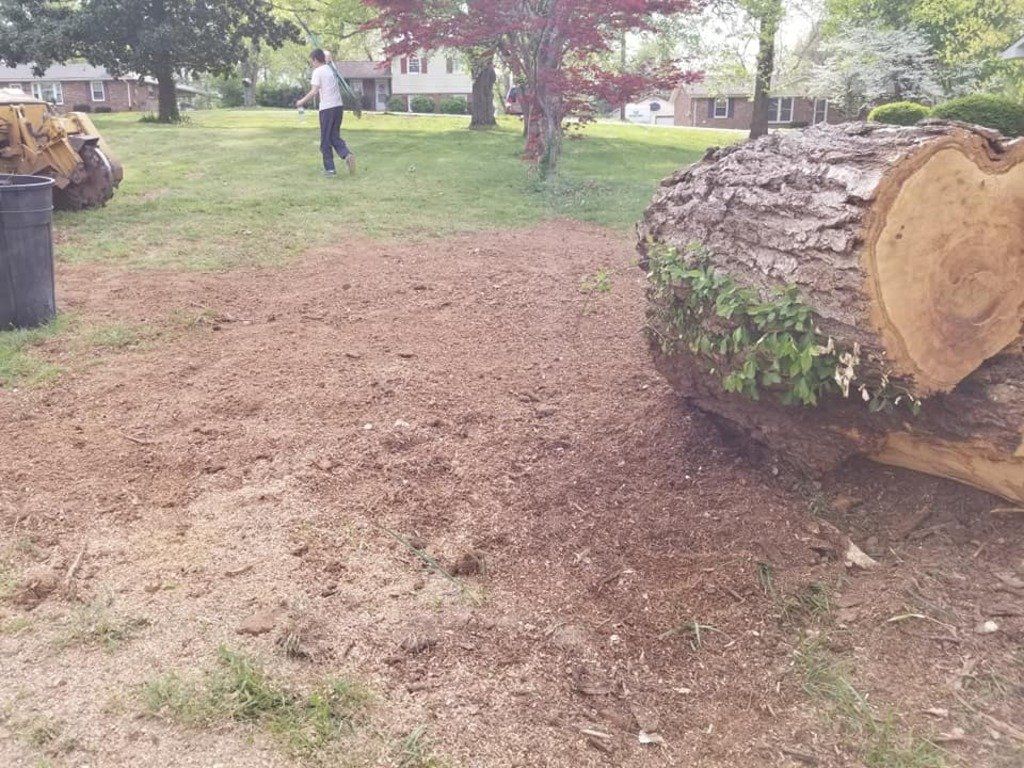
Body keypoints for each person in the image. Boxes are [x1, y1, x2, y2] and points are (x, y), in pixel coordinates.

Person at [296, 49, 356, 176]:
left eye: (311, 61)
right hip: (338, 107)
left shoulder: (317, 71)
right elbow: (328, 55)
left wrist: (301, 102)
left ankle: (330, 170)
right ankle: (347, 154)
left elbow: (314, 91)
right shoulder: (330, 69)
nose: (311, 63)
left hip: (327, 109)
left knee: (325, 140)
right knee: (334, 136)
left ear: (315, 59)